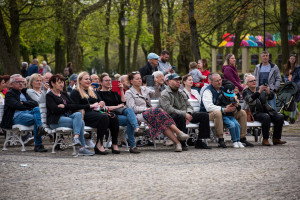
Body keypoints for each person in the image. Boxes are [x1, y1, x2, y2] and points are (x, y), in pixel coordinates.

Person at [125, 71, 190, 152]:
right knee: (158, 111)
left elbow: (157, 94)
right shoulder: (129, 92)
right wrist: (146, 109)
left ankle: (178, 144)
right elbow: (132, 108)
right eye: (137, 79)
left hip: (152, 113)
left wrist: (156, 85)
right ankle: (179, 133)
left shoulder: (144, 89)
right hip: (139, 115)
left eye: (140, 78)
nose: (139, 80)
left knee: (162, 123)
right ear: (131, 81)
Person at [70, 72, 120, 155]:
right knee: (104, 117)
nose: (88, 81)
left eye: (89, 79)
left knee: (113, 117)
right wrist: (90, 106)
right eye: (86, 79)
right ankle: (99, 144)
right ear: (80, 81)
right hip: (84, 114)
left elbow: (100, 100)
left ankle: (114, 144)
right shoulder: (75, 92)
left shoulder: (92, 91)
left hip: (96, 112)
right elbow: (74, 107)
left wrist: (101, 103)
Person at [200, 72, 253, 148]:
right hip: (207, 114)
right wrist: (224, 109)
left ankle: (241, 138)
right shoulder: (207, 91)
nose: (219, 82)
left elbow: (232, 98)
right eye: (217, 81)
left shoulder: (223, 89)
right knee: (218, 113)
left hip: (226, 113)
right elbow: (209, 107)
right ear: (210, 82)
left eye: (220, 80)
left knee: (242, 113)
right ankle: (220, 139)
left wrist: (234, 105)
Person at [159, 73, 211, 150]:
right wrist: (184, 114)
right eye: (175, 80)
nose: (178, 82)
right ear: (169, 82)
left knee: (204, 116)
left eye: (179, 80)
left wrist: (188, 114)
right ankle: (182, 142)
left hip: (184, 114)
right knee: (180, 117)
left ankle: (200, 141)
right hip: (171, 117)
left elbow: (189, 106)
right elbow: (168, 109)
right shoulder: (165, 94)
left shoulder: (181, 92)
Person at [46, 74, 95, 156]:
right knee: (81, 123)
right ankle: (81, 147)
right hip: (55, 121)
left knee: (78, 114)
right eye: (59, 82)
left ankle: (76, 138)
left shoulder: (64, 94)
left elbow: (74, 106)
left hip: (66, 117)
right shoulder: (49, 95)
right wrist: (67, 107)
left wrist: (64, 106)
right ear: (53, 83)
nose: (62, 84)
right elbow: (55, 110)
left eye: (63, 82)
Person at [0, 74, 48, 152]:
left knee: (36, 109)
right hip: (16, 117)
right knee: (37, 119)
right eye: (18, 82)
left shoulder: (24, 92)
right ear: (12, 84)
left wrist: (23, 103)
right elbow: (17, 105)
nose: (21, 83)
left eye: (22, 81)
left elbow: (35, 103)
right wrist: (25, 104)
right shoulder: (9, 94)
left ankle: (40, 128)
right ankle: (38, 144)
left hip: (27, 113)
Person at [98, 74, 141, 153]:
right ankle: (133, 144)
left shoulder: (113, 93)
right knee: (129, 120)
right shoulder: (98, 94)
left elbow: (123, 102)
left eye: (110, 80)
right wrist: (116, 107)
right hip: (110, 116)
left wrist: (121, 90)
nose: (109, 82)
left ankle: (136, 129)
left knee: (128, 110)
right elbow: (103, 108)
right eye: (106, 81)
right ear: (101, 82)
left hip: (119, 113)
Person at [243, 75, 286, 146]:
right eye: (251, 81)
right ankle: (265, 139)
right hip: (253, 113)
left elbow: (270, 97)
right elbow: (249, 100)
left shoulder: (259, 89)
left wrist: (268, 92)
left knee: (280, 116)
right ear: (247, 83)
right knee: (266, 117)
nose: (254, 82)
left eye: (255, 80)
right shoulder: (246, 91)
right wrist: (259, 92)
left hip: (265, 110)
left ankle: (276, 139)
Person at [216, 83, 244, 148]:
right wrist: (225, 107)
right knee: (232, 125)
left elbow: (238, 107)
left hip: (231, 115)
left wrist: (237, 106)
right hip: (224, 116)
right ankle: (234, 141)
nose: (229, 96)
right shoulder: (220, 97)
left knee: (237, 125)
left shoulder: (232, 97)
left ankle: (238, 140)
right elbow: (217, 106)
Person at [283, 54, 300, 123]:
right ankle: (298, 113)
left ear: (295, 60)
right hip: (288, 86)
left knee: (294, 101)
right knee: (289, 101)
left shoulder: (298, 68)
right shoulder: (286, 67)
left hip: (296, 86)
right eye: (291, 58)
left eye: (293, 59)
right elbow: (285, 76)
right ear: (289, 59)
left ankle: (292, 118)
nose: (292, 60)